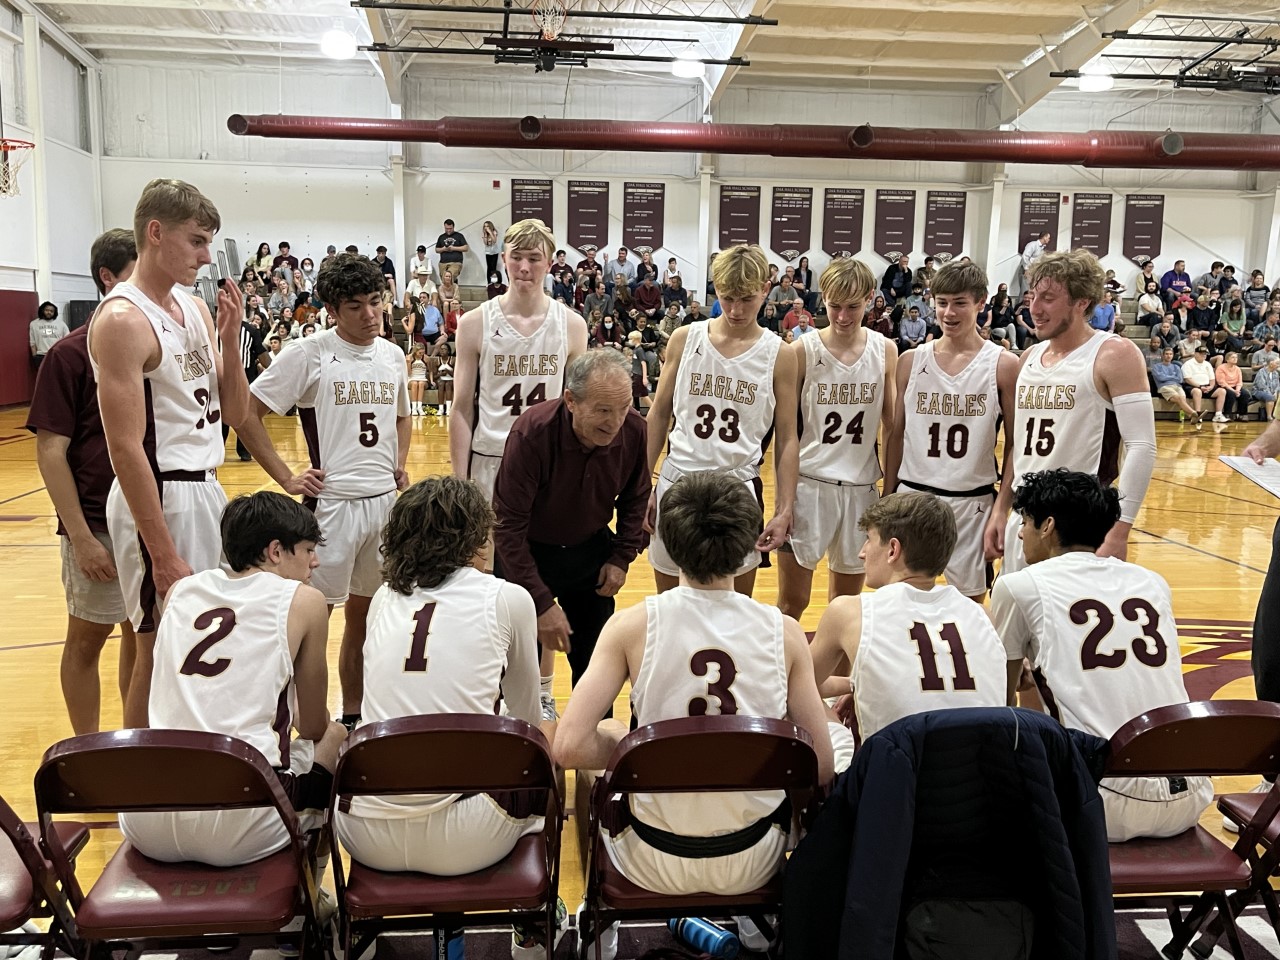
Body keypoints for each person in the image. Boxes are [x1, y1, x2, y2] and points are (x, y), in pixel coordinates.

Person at [554, 471, 837, 902]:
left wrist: (633, 749)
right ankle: (756, 928)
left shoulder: (631, 625)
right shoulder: (786, 632)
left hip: (650, 854)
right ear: (748, 549)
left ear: (668, 542)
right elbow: (820, 766)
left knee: (603, 739)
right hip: (755, 857)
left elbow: (569, 747)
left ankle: (598, 932)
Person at [87, 178, 248, 729]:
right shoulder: (121, 321)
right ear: (155, 233)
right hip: (161, 492)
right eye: (197, 241)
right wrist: (161, 552)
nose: (206, 256)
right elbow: (125, 448)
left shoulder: (194, 306)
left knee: (199, 640)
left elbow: (234, 412)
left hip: (206, 484)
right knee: (155, 645)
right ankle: (136, 785)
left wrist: (232, 338)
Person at [332, 475, 544, 882]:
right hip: (468, 836)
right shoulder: (507, 597)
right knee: (545, 752)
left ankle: (333, 924)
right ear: (477, 538)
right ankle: (532, 934)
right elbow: (527, 722)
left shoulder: (382, 598)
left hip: (364, 831)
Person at [118, 492, 347, 866]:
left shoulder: (180, 590)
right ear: (276, 551)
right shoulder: (305, 600)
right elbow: (311, 725)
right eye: (307, 550)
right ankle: (309, 905)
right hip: (238, 820)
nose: (315, 561)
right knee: (334, 738)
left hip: (146, 815)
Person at [236, 253, 410, 729]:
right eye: (355, 306)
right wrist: (286, 477)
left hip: (383, 506)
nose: (370, 314)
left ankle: (354, 717)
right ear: (332, 309)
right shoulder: (308, 353)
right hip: (331, 507)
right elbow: (245, 411)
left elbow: (400, 417)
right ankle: (294, 722)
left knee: (368, 617)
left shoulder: (392, 355)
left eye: (376, 302)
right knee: (314, 618)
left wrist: (398, 465)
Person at [991, 470, 1213, 842]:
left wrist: (1023, 679)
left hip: (1100, 803)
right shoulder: (1152, 581)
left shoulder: (1020, 585)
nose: (1019, 532)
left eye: (1025, 521)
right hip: (1189, 795)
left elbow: (998, 696)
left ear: (1047, 526)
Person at [25, 229, 138, 735]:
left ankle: (136, 740)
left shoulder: (151, 345)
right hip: (95, 521)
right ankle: (89, 749)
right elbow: (50, 451)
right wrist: (80, 536)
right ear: (107, 278)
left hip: (148, 519)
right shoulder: (69, 356)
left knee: (142, 637)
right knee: (87, 640)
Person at [493, 351, 648, 717]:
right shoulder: (531, 433)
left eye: (623, 407)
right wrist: (541, 603)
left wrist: (621, 557)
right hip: (527, 552)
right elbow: (507, 527)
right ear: (570, 401)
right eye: (603, 410)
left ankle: (591, 753)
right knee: (518, 667)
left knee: (597, 664)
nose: (615, 422)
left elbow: (636, 496)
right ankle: (523, 735)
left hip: (589, 551)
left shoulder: (635, 429)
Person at [985, 249, 1156, 572]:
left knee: (1067, 621)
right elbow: (1019, 448)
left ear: (1081, 302)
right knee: (1012, 619)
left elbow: (1142, 446)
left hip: (1080, 526)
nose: (1034, 307)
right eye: (1032, 295)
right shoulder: (1029, 357)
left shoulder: (1113, 354)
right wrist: (1001, 510)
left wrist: (1121, 529)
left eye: (1048, 298)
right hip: (1026, 518)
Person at [644, 244, 798, 596]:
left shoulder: (781, 355)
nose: (735, 309)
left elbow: (788, 437)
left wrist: (784, 508)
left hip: (736, 488)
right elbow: (658, 415)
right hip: (679, 480)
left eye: (746, 298)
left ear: (765, 288)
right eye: (727, 297)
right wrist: (642, 486)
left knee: (734, 609)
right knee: (670, 605)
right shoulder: (686, 338)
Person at [809, 492, 1007, 743]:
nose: (862, 552)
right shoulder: (982, 614)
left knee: (811, 705)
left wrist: (852, 687)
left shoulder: (848, 611)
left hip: (897, 774)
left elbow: (797, 685)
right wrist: (857, 683)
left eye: (868, 540)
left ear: (893, 549)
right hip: (981, 772)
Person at [885, 261, 1018, 603]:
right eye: (942, 302)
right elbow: (896, 434)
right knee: (902, 605)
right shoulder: (911, 361)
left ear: (981, 302)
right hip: (912, 497)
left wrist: (1002, 509)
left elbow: (1016, 445)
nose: (949, 312)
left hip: (970, 500)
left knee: (970, 606)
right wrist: (887, 499)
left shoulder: (1002, 365)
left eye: (960, 302)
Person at [778, 258, 896, 620]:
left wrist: (889, 495)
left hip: (862, 489)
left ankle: (838, 679)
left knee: (846, 608)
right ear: (822, 300)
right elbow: (786, 432)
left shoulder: (885, 350)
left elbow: (893, 428)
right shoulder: (801, 350)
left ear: (870, 299)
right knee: (791, 604)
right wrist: (784, 503)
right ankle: (784, 676)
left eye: (853, 307)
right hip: (810, 485)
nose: (843, 316)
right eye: (834, 306)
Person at [450, 219, 588, 504]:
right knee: (486, 549)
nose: (524, 267)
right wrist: (459, 482)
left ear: (550, 263)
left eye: (535, 258)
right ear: (503, 259)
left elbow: (577, 410)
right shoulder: (475, 322)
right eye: (516, 257)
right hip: (490, 458)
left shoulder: (572, 325)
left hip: (548, 461)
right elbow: (462, 408)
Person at [1151, 348, 1202, 422]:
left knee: (1183, 398)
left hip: (1177, 386)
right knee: (1178, 398)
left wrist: (1167, 377)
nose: (1169, 356)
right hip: (1164, 387)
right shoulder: (1156, 367)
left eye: (1170, 354)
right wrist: (1173, 377)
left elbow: (1180, 379)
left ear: (1173, 355)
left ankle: (1183, 418)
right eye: (1167, 354)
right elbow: (1160, 378)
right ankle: (1193, 413)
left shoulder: (1176, 367)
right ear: (1163, 355)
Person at [1182, 345, 1225, 422]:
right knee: (1197, 391)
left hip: (1206, 386)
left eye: (1205, 354)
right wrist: (1200, 386)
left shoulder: (1207, 364)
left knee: (1222, 391)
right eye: (1201, 353)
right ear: (1196, 354)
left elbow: (1212, 379)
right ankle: (1197, 415)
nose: (1204, 355)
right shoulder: (1188, 364)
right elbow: (1187, 379)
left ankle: (1218, 415)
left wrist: (1211, 387)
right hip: (1192, 386)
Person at [29, 301, 69, 370]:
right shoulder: (34, 324)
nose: (49, 312)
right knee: (43, 378)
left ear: (54, 312)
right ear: (42, 310)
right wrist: (35, 357)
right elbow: (32, 343)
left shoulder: (61, 324)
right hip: (41, 356)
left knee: (56, 377)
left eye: (51, 311)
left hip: (56, 355)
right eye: (47, 310)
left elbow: (68, 340)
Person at [1215, 351, 1252, 421]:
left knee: (1245, 394)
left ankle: (1242, 415)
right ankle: (1227, 414)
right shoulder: (1221, 368)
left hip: (1235, 387)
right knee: (1231, 394)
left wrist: (1237, 390)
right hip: (1224, 386)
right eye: (1233, 357)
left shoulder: (1237, 369)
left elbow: (1239, 382)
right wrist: (1234, 391)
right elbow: (1222, 382)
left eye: (1236, 357)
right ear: (1227, 359)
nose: (1235, 359)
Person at [1016, 231, 1051, 297]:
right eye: (1048, 238)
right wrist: (1027, 269)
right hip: (1027, 271)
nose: (1049, 240)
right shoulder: (1032, 245)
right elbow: (1025, 257)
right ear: (1045, 237)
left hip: (1034, 272)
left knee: (1031, 292)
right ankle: (1021, 307)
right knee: (1025, 292)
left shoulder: (1042, 248)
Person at [407, 342, 431, 415]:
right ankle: (414, 408)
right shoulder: (410, 358)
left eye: (423, 353)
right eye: (420, 353)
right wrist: (408, 363)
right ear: (415, 351)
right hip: (412, 378)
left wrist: (432, 381)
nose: (421, 355)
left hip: (423, 379)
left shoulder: (426, 358)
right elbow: (409, 374)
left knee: (421, 383)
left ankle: (419, 408)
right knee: (414, 383)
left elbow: (431, 371)